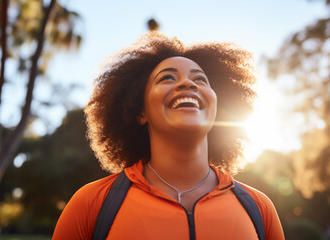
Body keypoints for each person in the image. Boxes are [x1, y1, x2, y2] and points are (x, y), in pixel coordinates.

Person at [53, 32, 284, 240]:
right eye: (167, 78)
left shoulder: (259, 209)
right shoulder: (92, 205)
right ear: (140, 111)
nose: (187, 83)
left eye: (200, 79)